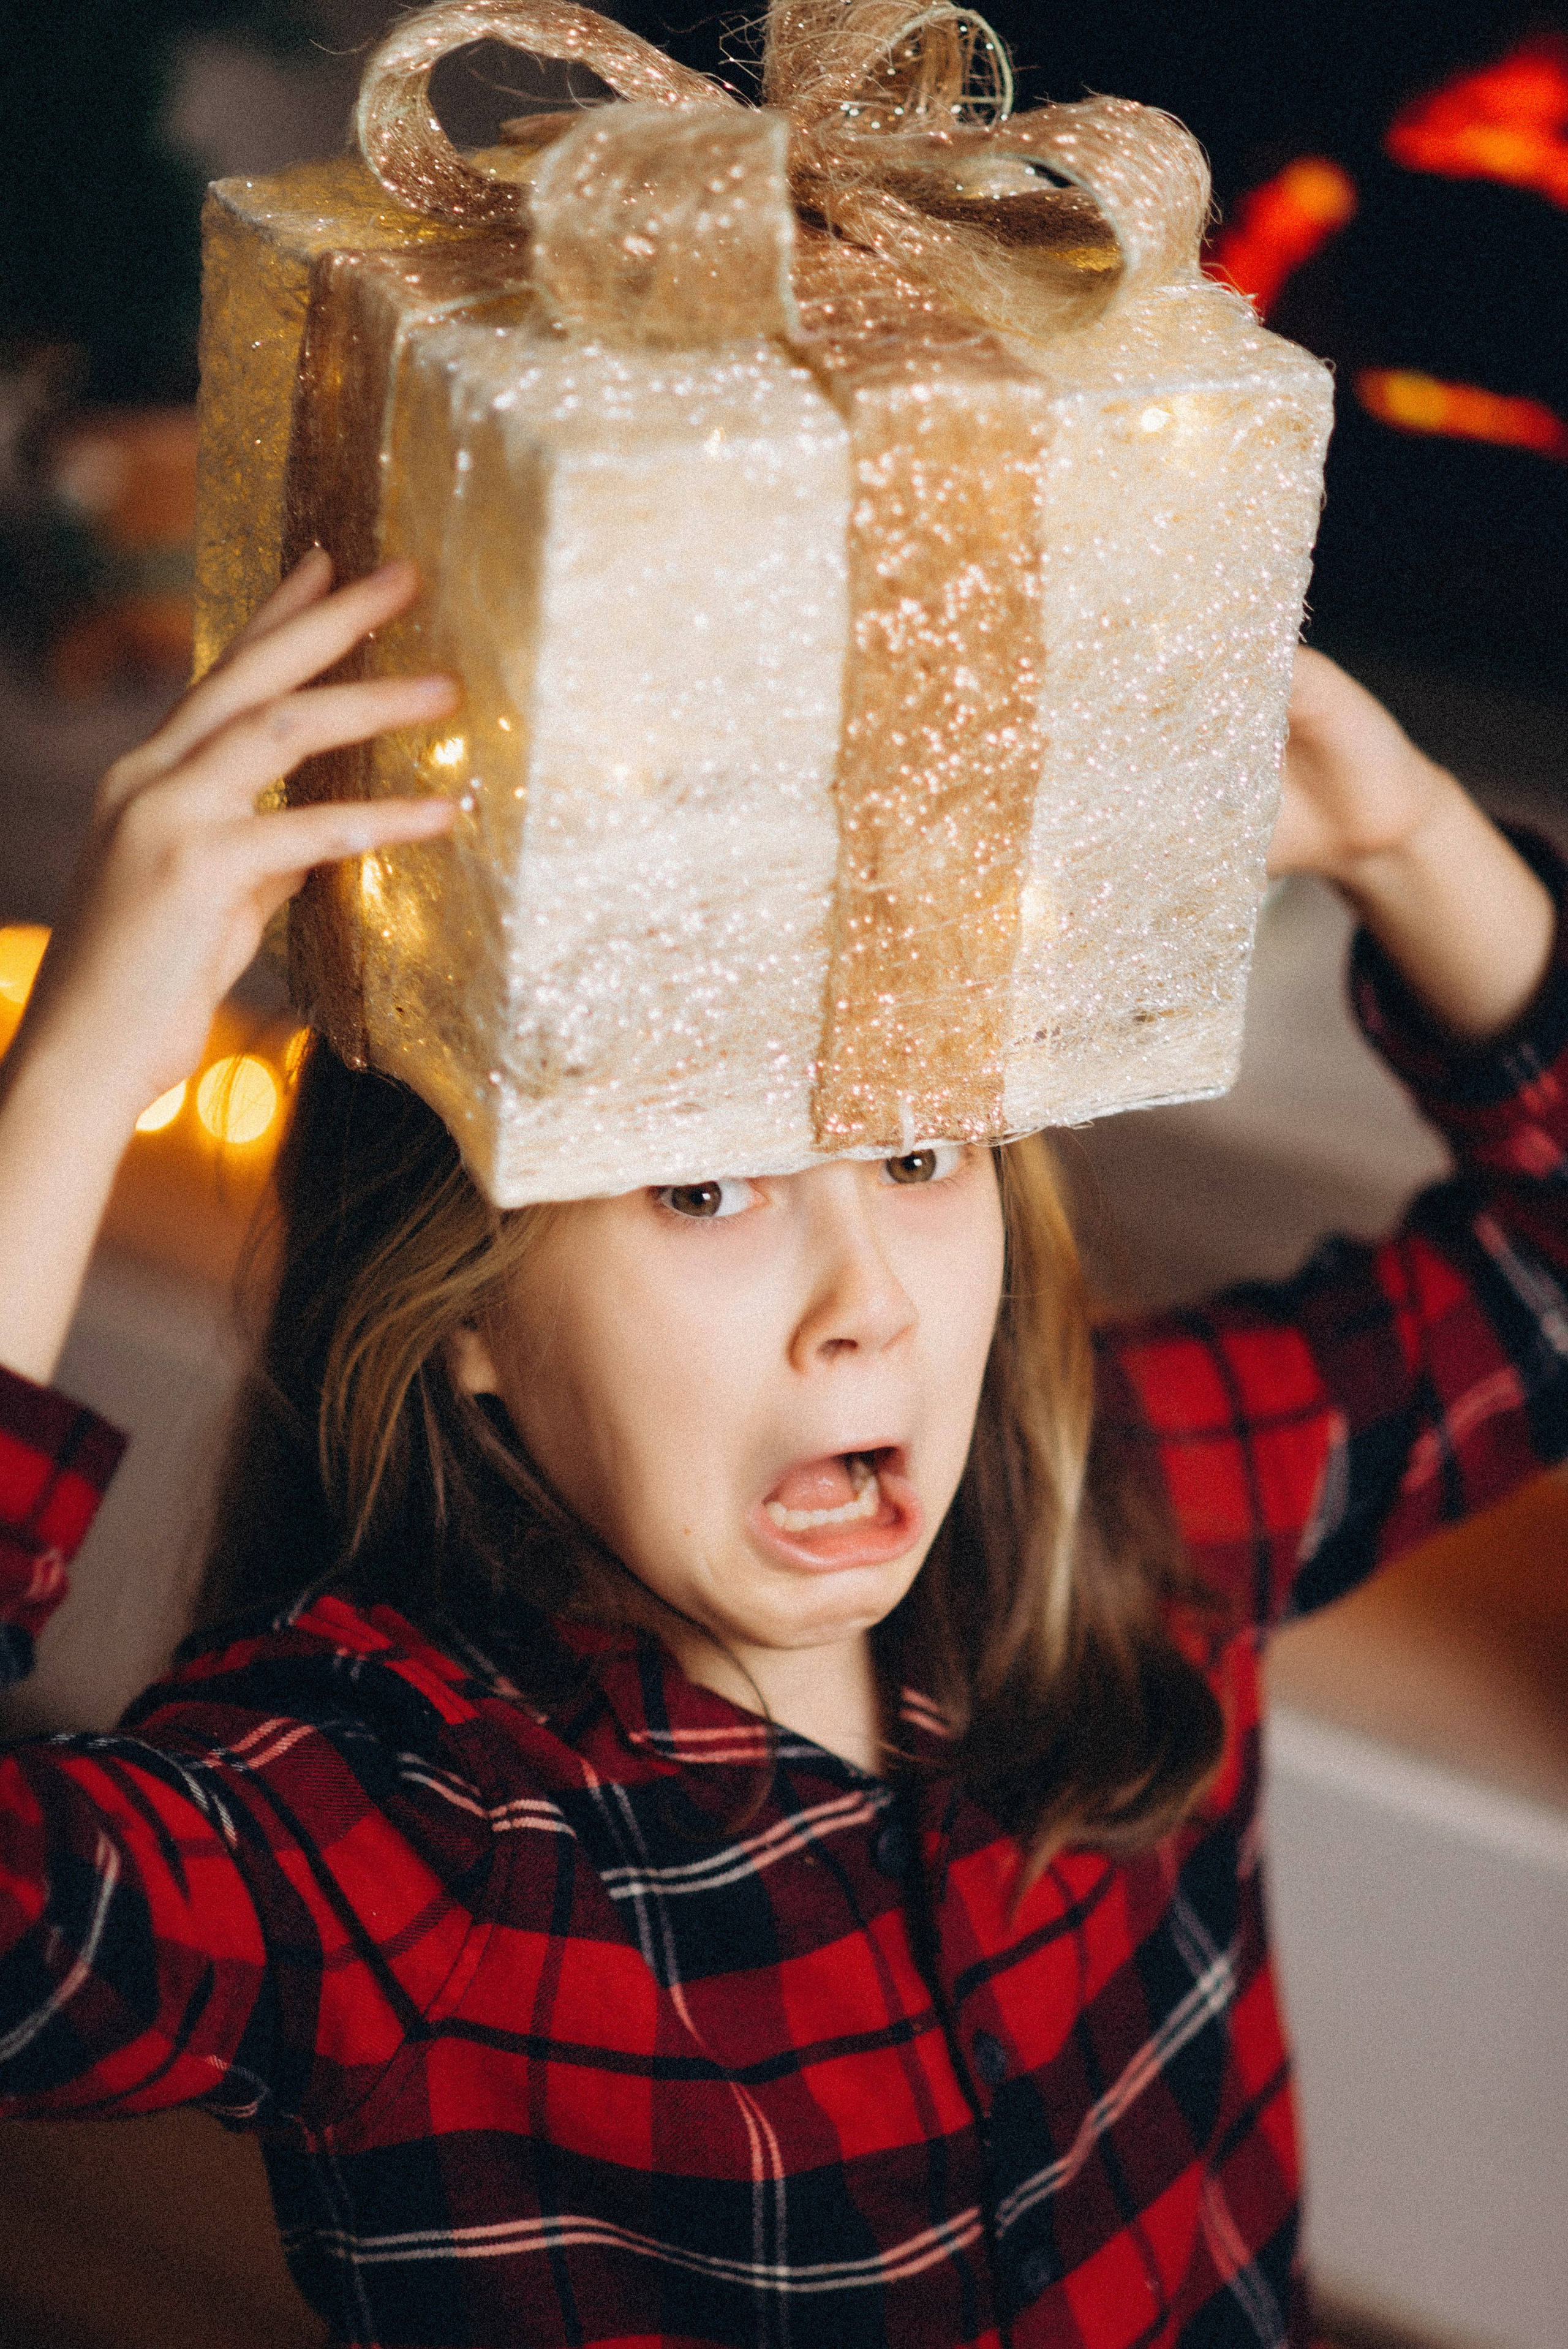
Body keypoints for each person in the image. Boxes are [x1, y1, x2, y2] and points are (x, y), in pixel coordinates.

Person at [1, 548, 1564, 2349]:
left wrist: (1409, 838)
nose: (867, 1305)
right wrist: (68, 1087)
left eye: (916, 1156)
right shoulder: (404, 1837)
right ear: (471, 1310)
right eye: (706, 1183)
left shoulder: (1125, 1502)